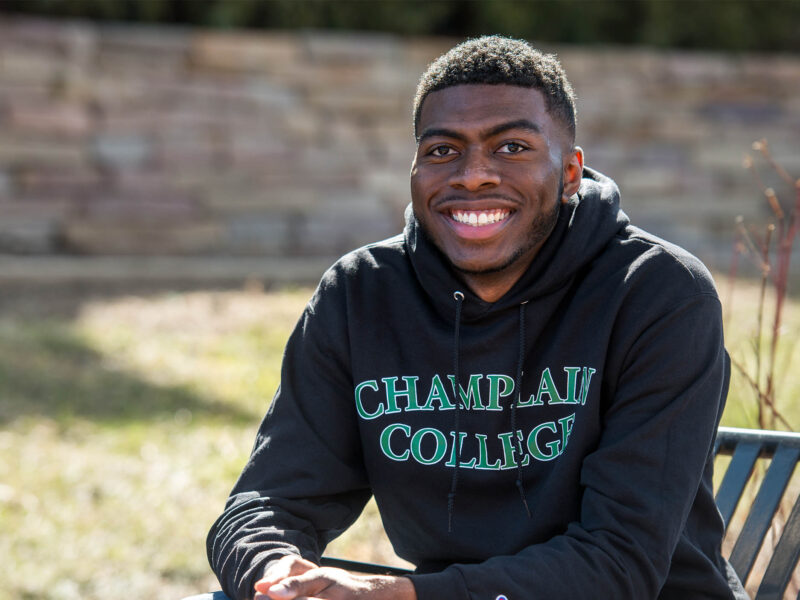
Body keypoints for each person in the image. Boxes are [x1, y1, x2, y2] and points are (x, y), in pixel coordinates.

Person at [201, 36, 749, 600]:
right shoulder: (363, 293)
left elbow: (618, 563)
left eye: (512, 147)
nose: (473, 175)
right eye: (442, 150)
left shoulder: (657, 292)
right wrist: (276, 575)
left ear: (569, 174)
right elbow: (266, 501)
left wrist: (402, 596)